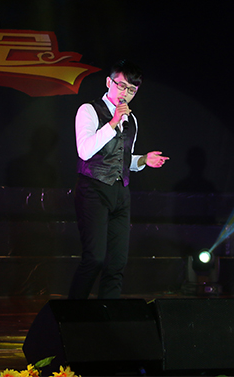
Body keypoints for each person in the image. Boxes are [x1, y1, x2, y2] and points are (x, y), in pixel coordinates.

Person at [68, 60, 169, 299]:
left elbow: (122, 159)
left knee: (116, 263)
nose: (125, 93)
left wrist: (143, 160)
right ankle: (72, 312)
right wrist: (113, 122)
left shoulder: (132, 121)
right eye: (121, 86)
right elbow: (85, 150)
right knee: (95, 258)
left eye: (131, 90)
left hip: (120, 193)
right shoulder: (89, 110)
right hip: (93, 189)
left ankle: (108, 314)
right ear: (108, 82)